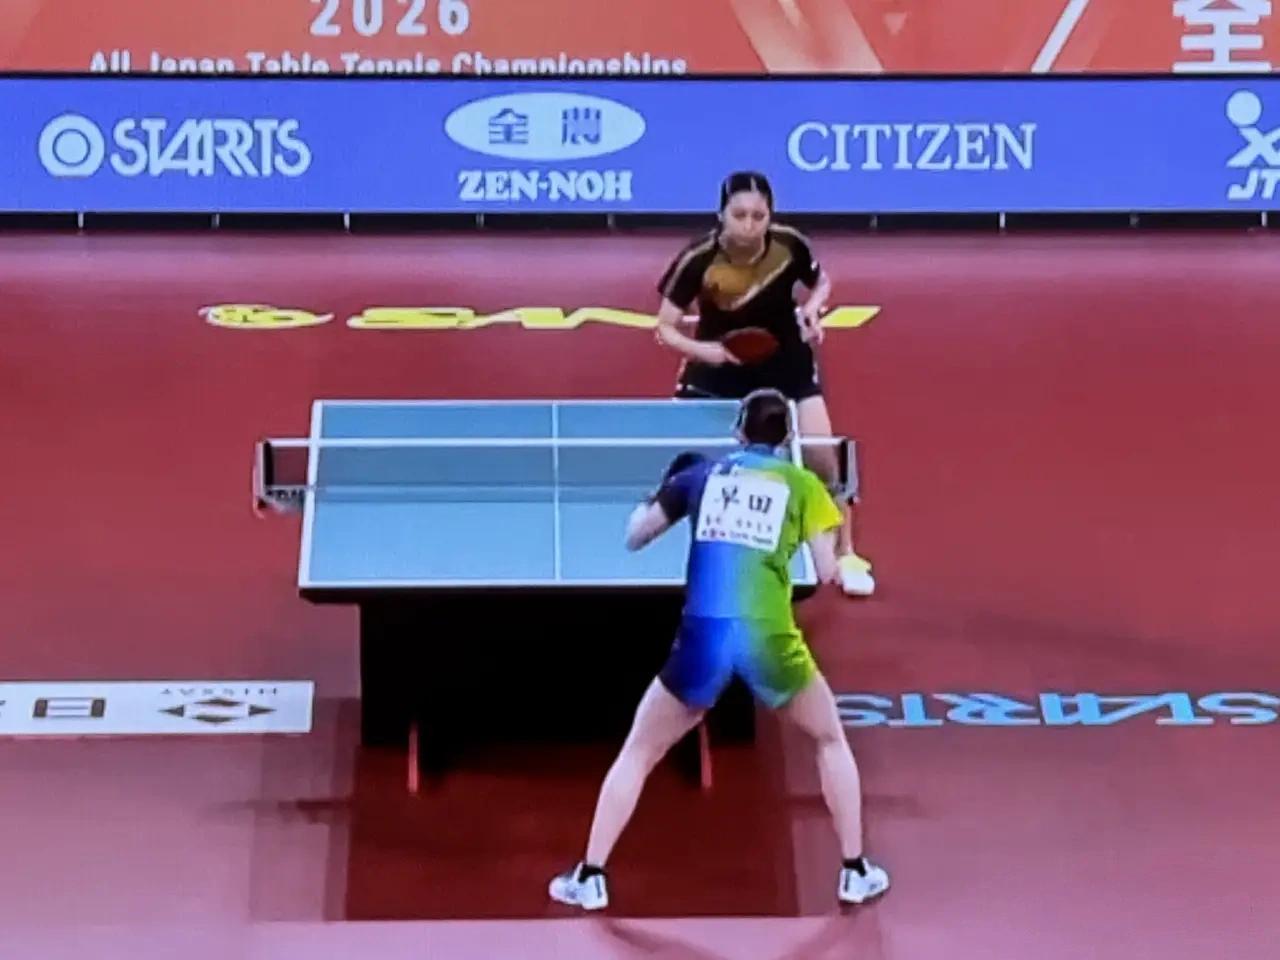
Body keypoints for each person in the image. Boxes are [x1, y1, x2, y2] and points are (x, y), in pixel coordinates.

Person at [548, 389, 890, 911]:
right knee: (828, 739)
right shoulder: (804, 486)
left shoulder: (700, 477)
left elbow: (636, 536)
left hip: (703, 637)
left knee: (639, 751)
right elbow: (825, 572)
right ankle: (854, 871)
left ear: (738, 431)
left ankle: (590, 875)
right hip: (769, 636)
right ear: (787, 438)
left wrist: (659, 493)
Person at [653, 170, 876, 598]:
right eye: (739, 215)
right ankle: (670, 545)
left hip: (786, 361)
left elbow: (821, 282)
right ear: (721, 214)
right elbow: (665, 328)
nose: (749, 225)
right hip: (719, 365)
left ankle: (846, 552)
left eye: (759, 216)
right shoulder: (698, 259)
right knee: (683, 459)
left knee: (821, 456)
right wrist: (709, 352)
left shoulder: (790, 245)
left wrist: (811, 308)